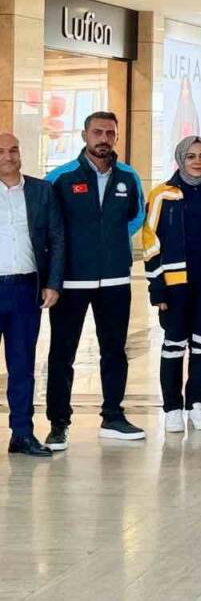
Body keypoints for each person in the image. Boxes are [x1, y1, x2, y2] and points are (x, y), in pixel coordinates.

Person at [45, 111, 146, 448]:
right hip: (72, 281)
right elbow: (49, 224)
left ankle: (113, 416)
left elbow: (136, 216)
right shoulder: (60, 178)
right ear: (85, 135)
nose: (104, 138)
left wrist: (112, 241)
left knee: (114, 351)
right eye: (98, 132)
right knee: (63, 353)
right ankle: (58, 422)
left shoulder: (128, 177)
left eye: (110, 133)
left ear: (116, 137)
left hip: (115, 279)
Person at [141, 136, 201, 434]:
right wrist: (157, 287)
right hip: (175, 285)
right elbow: (150, 242)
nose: (198, 161)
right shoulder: (162, 194)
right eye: (191, 156)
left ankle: (195, 402)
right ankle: (172, 407)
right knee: (174, 345)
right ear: (180, 159)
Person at [0, 132, 64, 457]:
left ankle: (22, 434)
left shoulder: (41, 191)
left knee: (23, 365)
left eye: (13, 150)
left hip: (26, 289)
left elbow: (57, 237)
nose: (8, 156)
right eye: (1, 151)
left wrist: (53, 283)